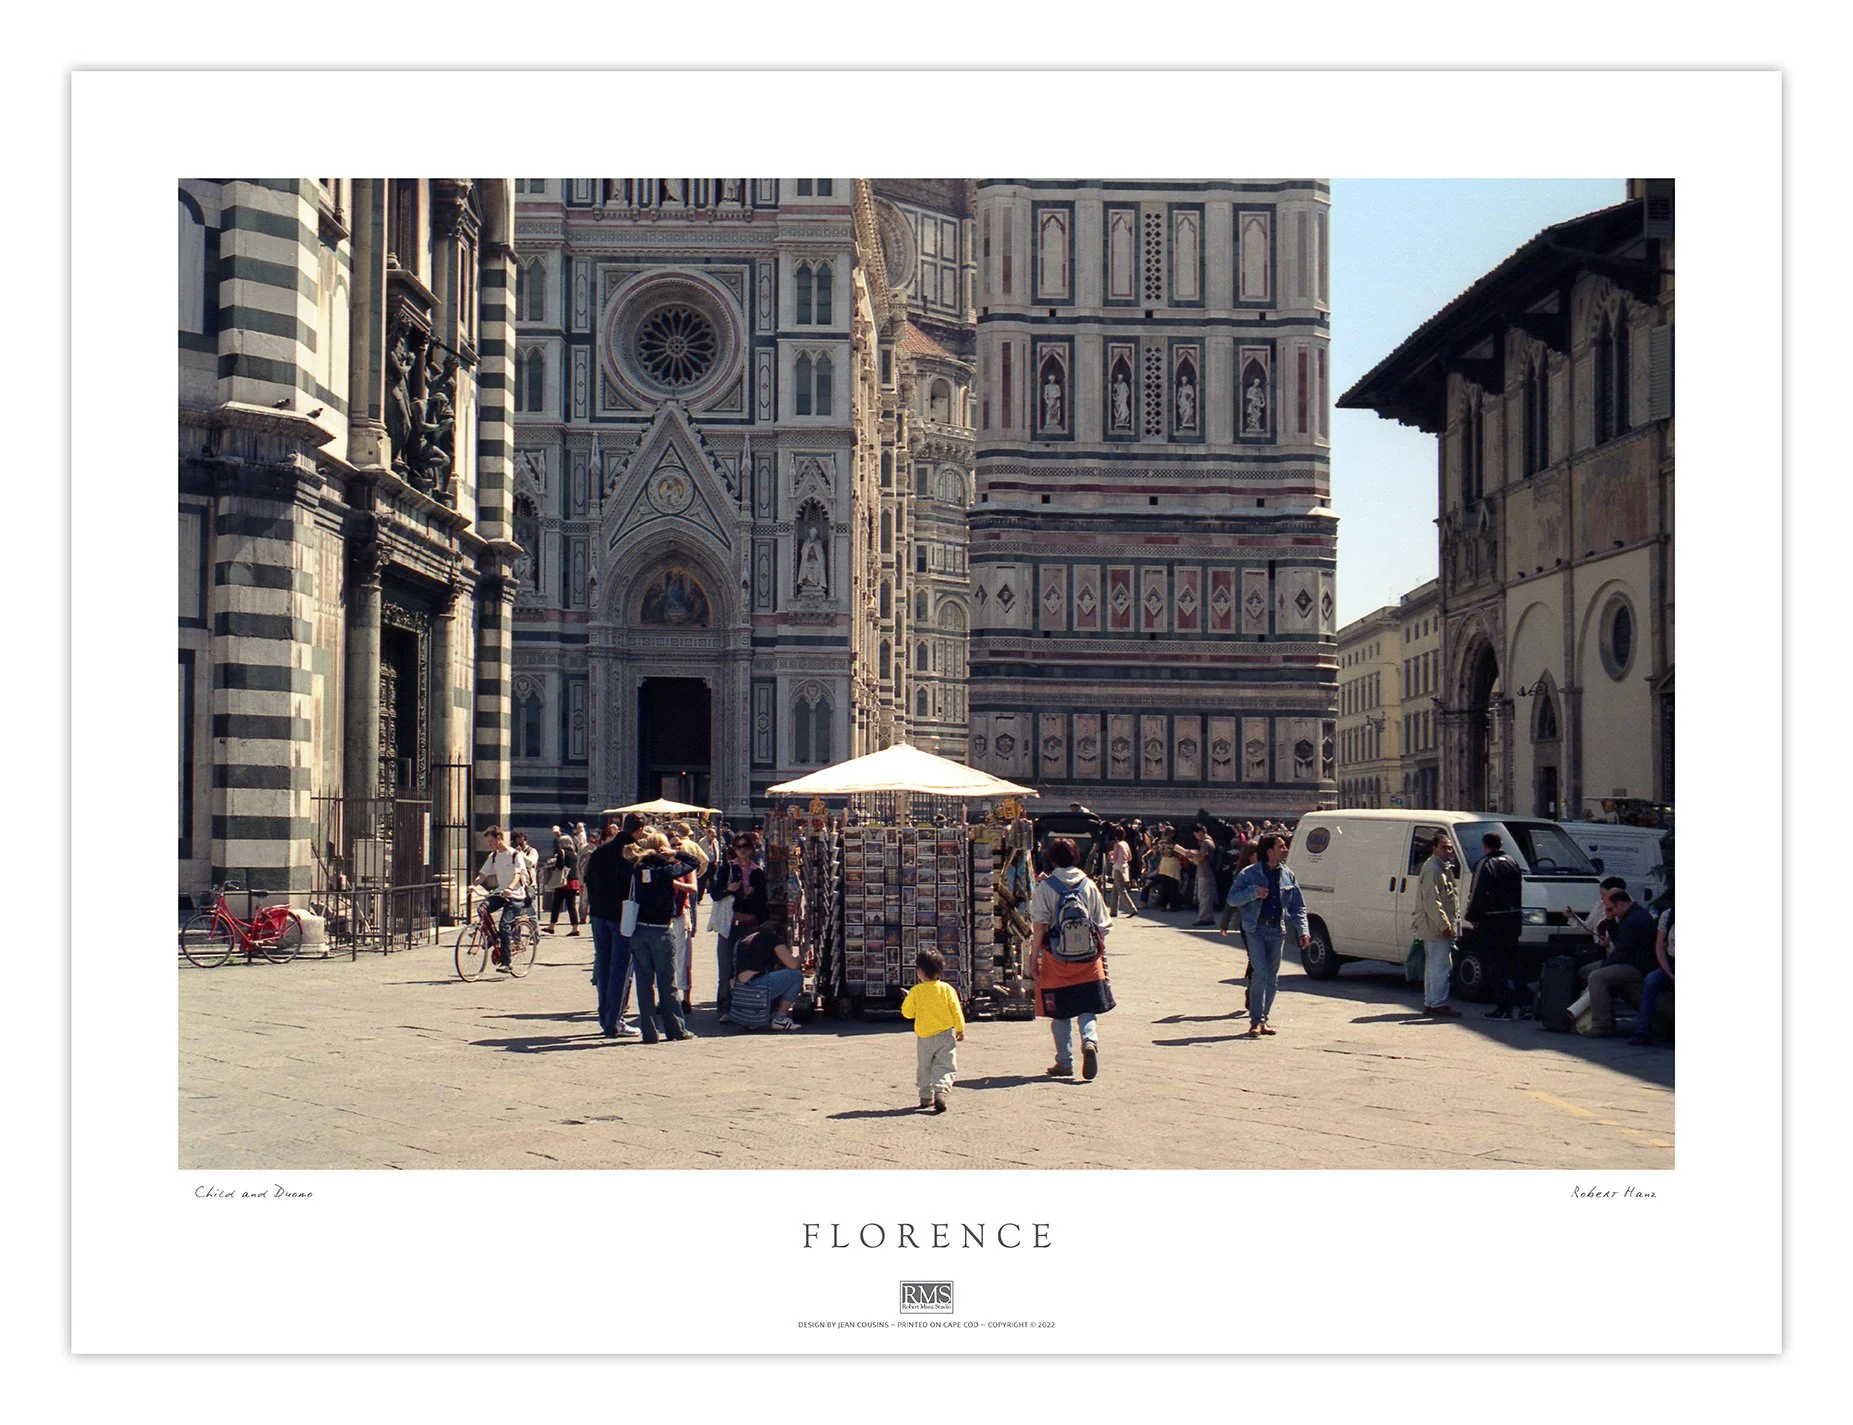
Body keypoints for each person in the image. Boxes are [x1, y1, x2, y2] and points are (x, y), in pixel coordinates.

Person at [1030, 837, 1114, 1080]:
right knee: (1087, 1006)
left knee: (1061, 1011)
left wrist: (1033, 956)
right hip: (1089, 958)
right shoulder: (1088, 885)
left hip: (1057, 958)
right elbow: (1103, 924)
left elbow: (1039, 926)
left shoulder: (1046, 887)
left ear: (1052, 858)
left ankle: (1064, 1061)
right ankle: (1090, 1041)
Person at [1223, 833, 1310, 1037]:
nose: (1285, 849)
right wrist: (1253, 892)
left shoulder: (1288, 874)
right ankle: (1256, 1020)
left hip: (1277, 930)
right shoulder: (1249, 874)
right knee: (1260, 973)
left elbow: (1298, 906)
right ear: (1269, 851)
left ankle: (1264, 1020)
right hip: (1255, 930)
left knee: (1272, 977)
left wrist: (1303, 930)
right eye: (1281, 846)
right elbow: (1232, 899)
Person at [622, 830, 704, 1043]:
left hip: (639, 930)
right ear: (662, 848)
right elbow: (694, 861)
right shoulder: (667, 869)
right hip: (661, 930)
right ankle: (676, 1029)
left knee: (644, 983)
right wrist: (674, 852)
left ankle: (649, 1032)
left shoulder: (637, 867)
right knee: (667, 982)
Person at [584, 816, 642, 1037]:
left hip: (598, 915)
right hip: (621, 917)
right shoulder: (631, 853)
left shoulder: (600, 851)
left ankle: (604, 1017)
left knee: (604, 966)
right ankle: (614, 1021)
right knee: (620, 970)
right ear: (639, 830)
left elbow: (587, 878)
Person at [1579, 884, 1659, 1035]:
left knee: (1596, 976)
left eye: (1611, 909)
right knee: (1587, 971)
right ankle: (1590, 1015)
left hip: (1637, 965)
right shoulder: (1628, 916)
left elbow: (1622, 951)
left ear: (1621, 904)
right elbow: (1618, 941)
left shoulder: (1635, 920)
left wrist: (1605, 966)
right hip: (1629, 961)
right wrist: (1609, 920)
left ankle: (1602, 1024)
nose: (1611, 913)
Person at [1463, 832, 1524, 1019]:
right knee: (1514, 963)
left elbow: (1478, 893)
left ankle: (1504, 1006)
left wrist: (1471, 916)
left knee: (1496, 964)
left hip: (1493, 920)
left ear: (1485, 846)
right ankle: (1526, 1004)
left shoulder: (1485, 864)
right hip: (1513, 919)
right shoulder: (1512, 862)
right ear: (1501, 844)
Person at [901, 947, 966, 1112]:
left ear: (920, 972)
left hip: (924, 1037)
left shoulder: (916, 991)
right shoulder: (947, 989)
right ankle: (941, 1091)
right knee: (945, 1065)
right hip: (945, 1035)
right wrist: (960, 1028)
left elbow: (907, 1013)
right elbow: (956, 1009)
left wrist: (909, 1000)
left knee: (924, 1067)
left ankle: (925, 1096)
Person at [1410, 830, 1463, 1018]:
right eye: (1444, 848)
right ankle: (1436, 1003)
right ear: (1434, 849)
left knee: (1436, 965)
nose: (1448, 851)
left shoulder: (1442, 867)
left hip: (1438, 926)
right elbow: (1432, 901)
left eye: (1450, 848)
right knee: (1439, 966)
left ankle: (1432, 1002)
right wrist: (1444, 925)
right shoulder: (1433, 868)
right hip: (1436, 927)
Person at [718, 831, 769, 1021]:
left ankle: (745, 1005)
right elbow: (715, 893)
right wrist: (728, 890)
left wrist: (752, 894)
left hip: (748, 924)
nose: (742, 851)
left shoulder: (757, 872)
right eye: (738, 847)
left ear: (751, 849)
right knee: (725, 969)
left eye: (745, 847)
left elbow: (762, 904)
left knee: (745, 968)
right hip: (728, 925)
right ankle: (725, 1008)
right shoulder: (728, 869)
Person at [472, 826, 534, 972]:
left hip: (516, 895)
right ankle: (494, 938)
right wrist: (473, 884)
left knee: (504, 925)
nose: (489, 845)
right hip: (501, 893)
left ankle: (506, 962)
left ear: (499, 838)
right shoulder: (493, 856)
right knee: (482, 909)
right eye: (488, 842)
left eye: (491, 841)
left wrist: (510, 888)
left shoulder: (515, 854)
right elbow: (483, 874)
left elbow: (518, 875)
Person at [731, 917, 808, 1032]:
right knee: (795, 975)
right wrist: (800, 959)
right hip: (757, 987)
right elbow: (791, 964)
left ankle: (757, 1019)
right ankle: (780, 1018)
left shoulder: (744, 939)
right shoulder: (772, 937)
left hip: (741, 992)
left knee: (772, 976)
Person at [1630, 898, 1675, 1047]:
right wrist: (1669, 972)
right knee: (1651, 980)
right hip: (1671, 963)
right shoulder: (1668, 915)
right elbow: (1660, 947)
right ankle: (1643, 1031)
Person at [543, 829, 582, 935]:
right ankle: (575, 928)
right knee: (571, 906)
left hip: (563, 882)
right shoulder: (574, 854)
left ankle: (551, 926)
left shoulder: (562, 852)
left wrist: (554, 864)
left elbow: (560, 866)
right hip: (573, 882)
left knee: (556, 904)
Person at [1105, 830, 1136, 918]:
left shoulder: (1117, 845)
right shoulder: (1125, 844)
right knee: (1115, 890)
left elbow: (1114, 859)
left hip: (1118, 868)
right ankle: (1113, 911)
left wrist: (1111, 855)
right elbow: (1130, 857)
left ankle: (1132, 908)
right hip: (1125, 867)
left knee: (1121, 890)